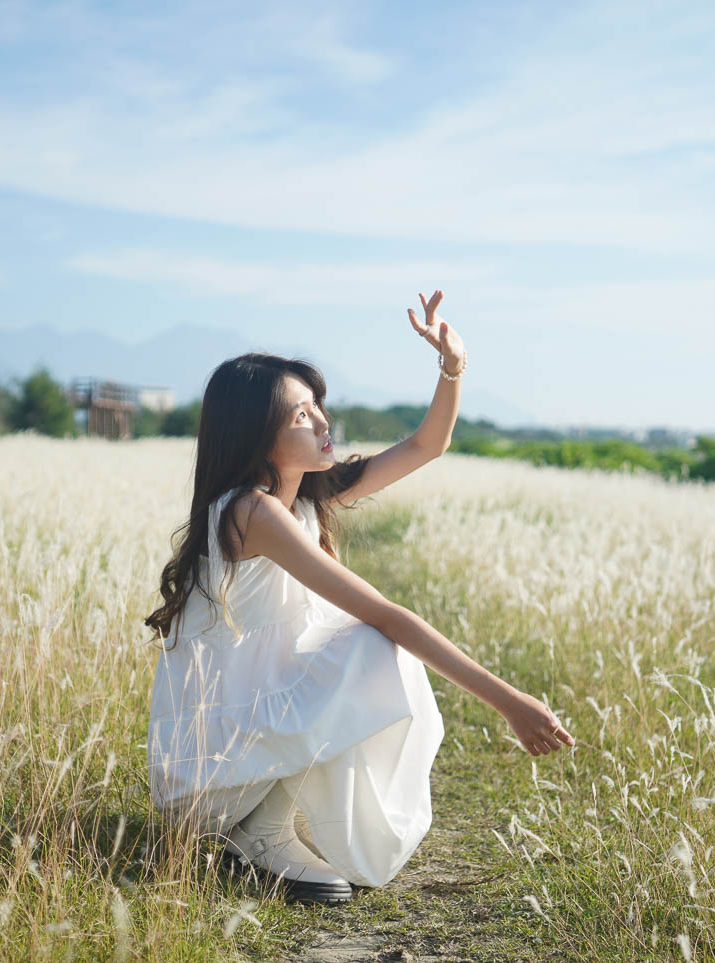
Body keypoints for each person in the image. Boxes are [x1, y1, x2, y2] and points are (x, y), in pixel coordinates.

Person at [144, 290, 575, 905]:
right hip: (212, 748)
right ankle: (258, 828)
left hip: (249, 711)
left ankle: (267, 817)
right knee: (371, 643)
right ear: (256, 435)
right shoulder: (252, 511)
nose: (322, 421)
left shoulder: (301, 499)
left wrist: (452, 365)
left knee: (360, 647)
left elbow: (427, 446)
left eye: (318, 406)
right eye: (300, 415)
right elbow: (383, 615)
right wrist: (508, 701)